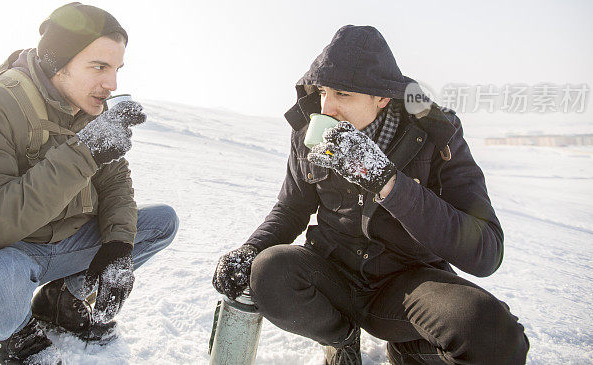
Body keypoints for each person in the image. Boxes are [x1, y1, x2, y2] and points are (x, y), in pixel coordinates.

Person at [212, 25, 528, 364]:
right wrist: (251, 248)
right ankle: (341, 338)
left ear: (382, 97)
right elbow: (291, 207)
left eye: (343, 95)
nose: (327, 107)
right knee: (269, 270)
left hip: (406, 283)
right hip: (333, 273)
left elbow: (487, 251)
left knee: (496, 336)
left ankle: (410, 347)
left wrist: (387, 181)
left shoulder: (437, 134)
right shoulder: (310, 126)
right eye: (323, 91)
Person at [0, 2, 179, 363]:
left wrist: (117, 246)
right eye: (99, 66)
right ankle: (14, 327)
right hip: (3, 257)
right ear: (56, 63)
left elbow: (114, 183)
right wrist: (85, 154)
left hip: (61, 244)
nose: (111, 84)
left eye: (116, 69)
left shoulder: (88, 108)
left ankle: (63, 299)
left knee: (160, 223)